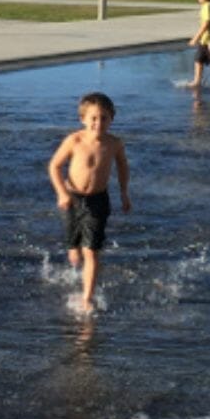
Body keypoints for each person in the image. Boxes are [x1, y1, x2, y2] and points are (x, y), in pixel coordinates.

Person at [47, 91, 132, 312]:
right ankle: (74, 254)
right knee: (74, 250)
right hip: (72, 199)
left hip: (98, 201)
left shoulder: (114, 143)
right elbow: (54, 166)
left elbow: (123, 167)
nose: (98, 123)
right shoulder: (74, 140)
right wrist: (61, 194)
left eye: (104, 118)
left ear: (112, 118)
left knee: (91, 250)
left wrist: (124, 193)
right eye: (93, 118)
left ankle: (87, 298)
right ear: (83, 119)